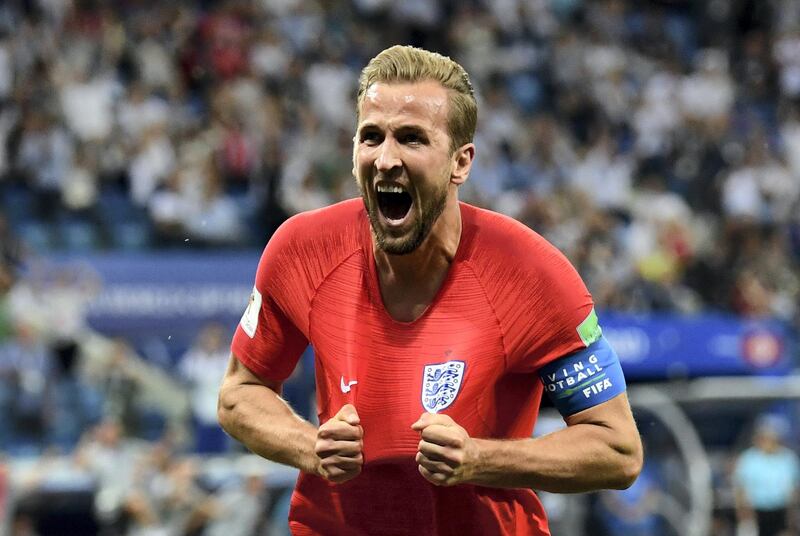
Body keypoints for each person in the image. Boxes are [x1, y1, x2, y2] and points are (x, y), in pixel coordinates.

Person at [218, 45, 643, 535]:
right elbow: (239, 394)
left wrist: (478, 459)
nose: (385, 160)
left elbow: (617, 449)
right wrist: (308, 447)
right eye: (371, 137)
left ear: (460, 163)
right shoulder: (301, 250)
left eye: (412, 139)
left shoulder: (532, 276)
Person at [734, 414, 800, 536]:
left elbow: (794, 487)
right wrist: (743, 514)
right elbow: (740, 487)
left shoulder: (788, 458)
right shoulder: (749, 459)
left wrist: (793, 514)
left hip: (781, 511)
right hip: (755, 511)